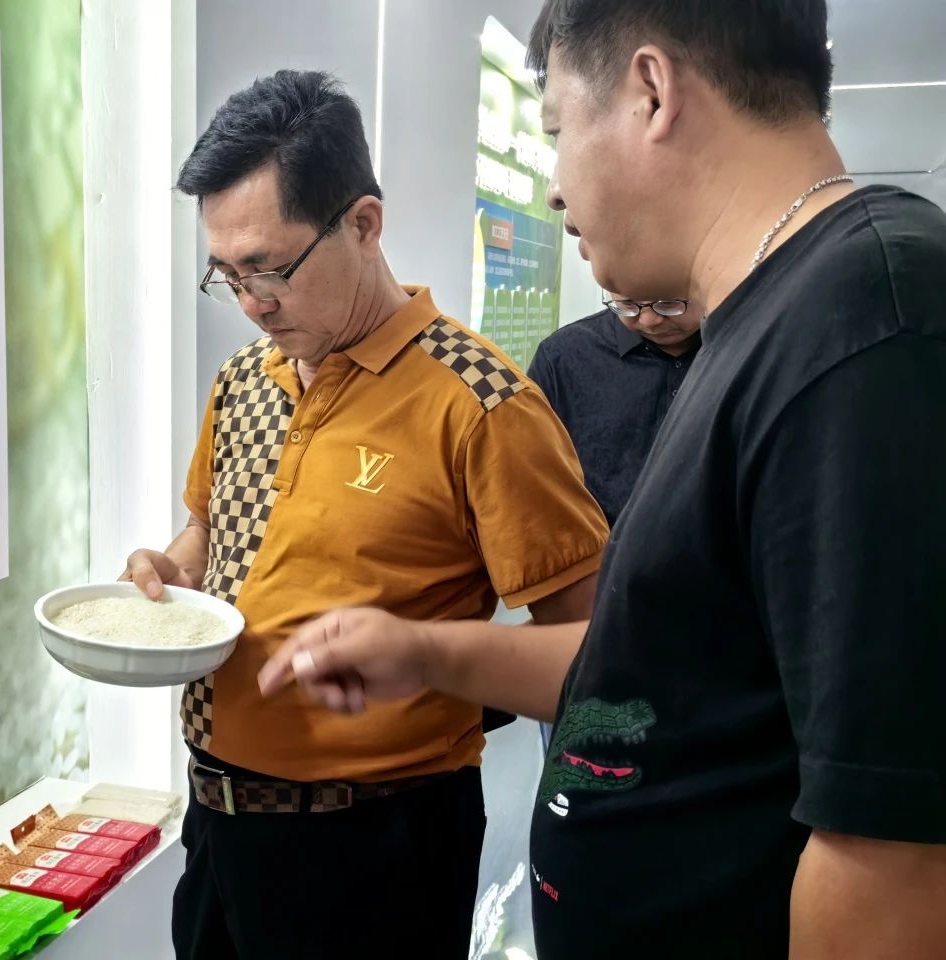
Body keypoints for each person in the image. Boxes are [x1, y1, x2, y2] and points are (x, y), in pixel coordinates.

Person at [260, 4, 946, 957]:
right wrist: (426, 653)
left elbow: (890, 853)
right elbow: (656, 673)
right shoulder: (765, 318)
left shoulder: (869, 322)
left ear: (651, 93)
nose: (553, 188)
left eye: (556, 130)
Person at [123, 70, 608, 959]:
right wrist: (172, 570)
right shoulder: (243, 381)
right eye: (226, 275)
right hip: (217, 823)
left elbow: (599, 660)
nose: (251, 304)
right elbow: (208, 533)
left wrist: (423, 653)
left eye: (271, 269)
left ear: (364, 223)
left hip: (377, 849)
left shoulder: (482, 403)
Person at [528, 295, 702, 526]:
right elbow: (530, 478)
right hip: (597, 543)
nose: (649, 320)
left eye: (668, 303)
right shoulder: (562, 356)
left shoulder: (745, 351)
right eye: (628, 305)